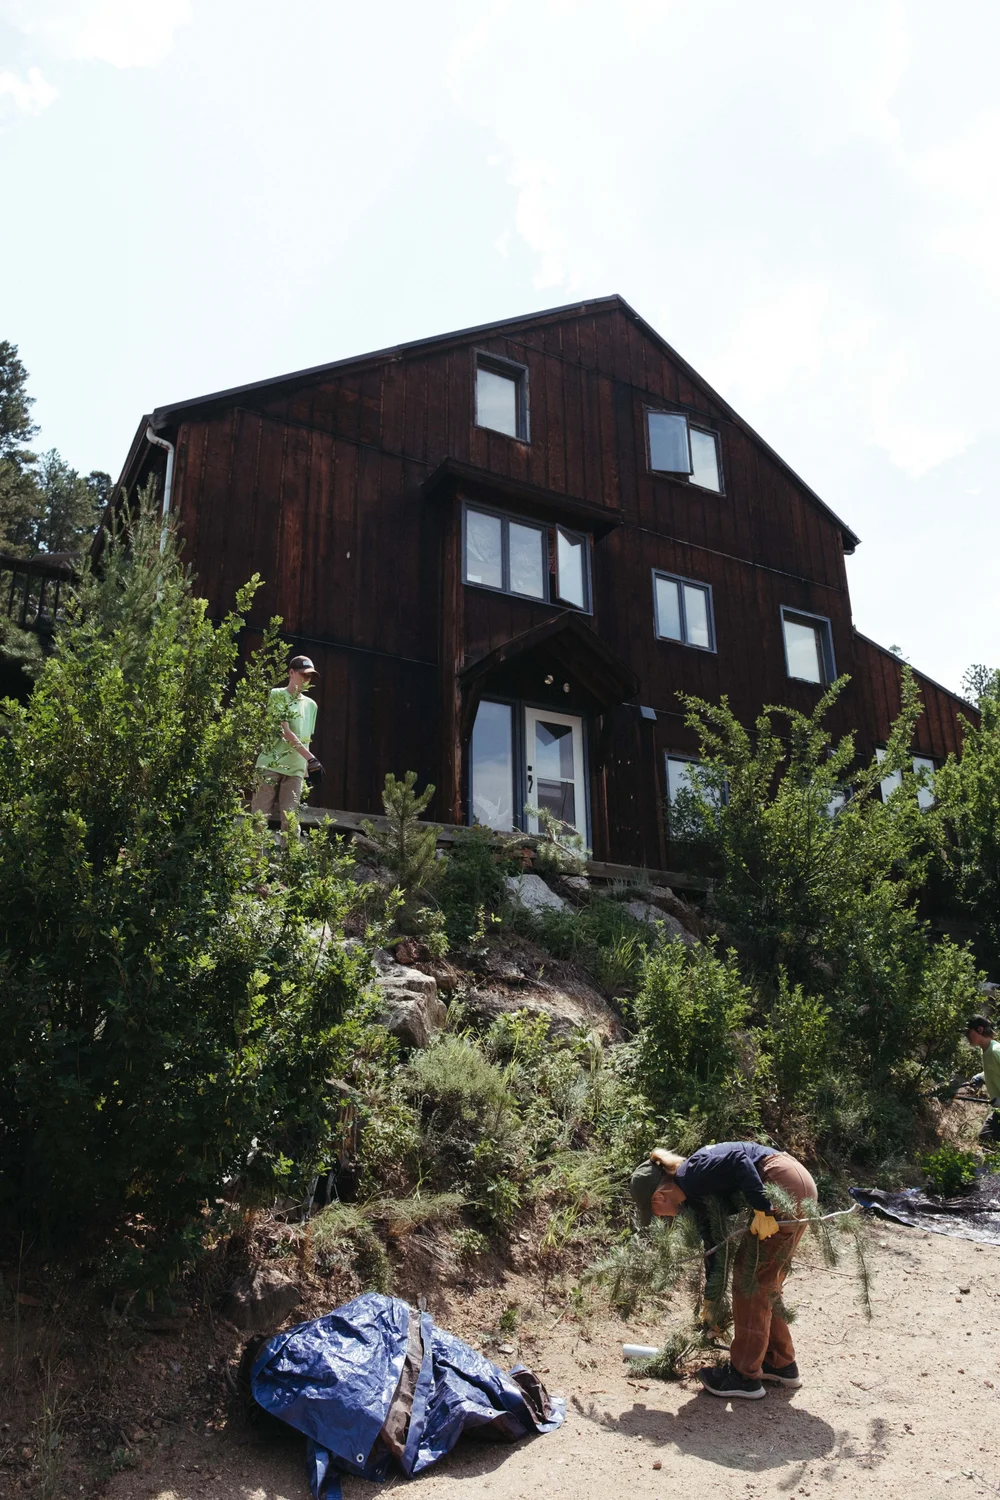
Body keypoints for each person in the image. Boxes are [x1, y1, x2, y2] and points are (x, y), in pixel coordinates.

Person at [630, 1140, 817, 1401]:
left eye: (655, 1212)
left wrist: (761, 1207)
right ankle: (779, 1363)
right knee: (765, 1281)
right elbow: (715, 1247)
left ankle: (744, 1376)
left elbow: (738, 1159)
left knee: (749, 1280)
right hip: (794, 1182)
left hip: (781, 1184)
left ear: (659, 1197)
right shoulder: (695, 1196)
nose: (661, 1218)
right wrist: (712, 1301)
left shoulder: (692, 1174)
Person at [251, 655, 323, 833]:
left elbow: (306, 738)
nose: (307, 679)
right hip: (271, 764)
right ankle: (253, 862)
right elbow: (285, 732)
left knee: (291, 824)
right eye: (303, 675)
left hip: (295, 770)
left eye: (310, 677)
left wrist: (307, 768)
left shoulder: (311, 705)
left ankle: (289, 861)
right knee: (259, 819)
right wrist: (312, 759)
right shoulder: (277, 695)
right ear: (291, 672)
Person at [965, 1016, 1000, 1143]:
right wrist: (981, 1076)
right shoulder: (986, 1050)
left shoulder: (996, 1051)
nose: (967, 1036)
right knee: (986, 1136)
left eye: (969, 1032)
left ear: (979, 1030)